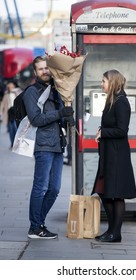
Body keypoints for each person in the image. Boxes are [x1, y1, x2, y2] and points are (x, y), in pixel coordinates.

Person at [23, 56, 74, 239]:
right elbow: (36, 119)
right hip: (43, 145)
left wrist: (67, 116)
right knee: (41, 187)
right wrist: (59, 113)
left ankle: (39, 223)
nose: (45, 71)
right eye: (40, 69)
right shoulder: (32, 92)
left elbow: (57, 117)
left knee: (55, 189)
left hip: (58, 145)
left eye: (47, 68)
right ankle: (35, 227)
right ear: (35, 72)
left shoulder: (56, 89)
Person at [92, 69, 136, 243]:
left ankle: (115, 233)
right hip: (109, 155)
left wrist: (103, 132)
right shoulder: (113, 100)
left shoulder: (121, 102)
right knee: (105, 192)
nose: (101, 84)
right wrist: (102, 131)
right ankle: (111, 231)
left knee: (116, 194)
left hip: (117, 156)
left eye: (103, 81)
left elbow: (121, 130)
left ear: (112, 82)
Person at [0, 80, 22, 148]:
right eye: (8, 84)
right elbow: (3, 103)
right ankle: (12, 143)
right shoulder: (6, 93)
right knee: (11, 128)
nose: (9, 85)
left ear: (13, 85)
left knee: (16, 128)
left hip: (16, 111)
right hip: (9, 112)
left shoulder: (18, 91)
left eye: (10, 84)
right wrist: (1, 111)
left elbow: (22, 100)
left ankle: (17, 143)